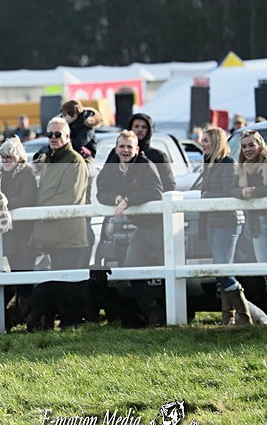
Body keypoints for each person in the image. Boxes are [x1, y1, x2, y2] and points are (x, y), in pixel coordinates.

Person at [96, 131, 164, 326]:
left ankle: (170, 311)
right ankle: (152, 312)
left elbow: (156, 192)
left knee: (167, 270)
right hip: (140, 228)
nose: (125, 150)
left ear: (137, 149)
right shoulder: (111, 168)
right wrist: (115, 198)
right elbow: (101, 192)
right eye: (122, 146)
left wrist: (128, 200)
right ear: (116, 149)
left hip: (159, 225)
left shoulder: (145, 165)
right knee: (132, 267)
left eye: (129, 147)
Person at [201, 127, 252, 325]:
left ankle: (244, 315)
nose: (203, 144)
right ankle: (227, 317)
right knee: (220, 269)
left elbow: (228, 192)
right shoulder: (210, 163)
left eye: (206, 140)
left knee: (222, 270)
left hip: (228, 221)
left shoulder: (227, 163)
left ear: (215, 142)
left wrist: (205, 197)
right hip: (213, 221)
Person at [29, 117, 89, 270]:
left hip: (67, 240)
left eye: (58, 134)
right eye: (50, 135)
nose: (53, 138)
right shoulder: (50, 160)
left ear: (67, 137)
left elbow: (69, 197)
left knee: (67, 288)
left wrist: (39, 213)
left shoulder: (75, 161)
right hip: (49, 238)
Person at [0, 135, 38, 280]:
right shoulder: (0, 176)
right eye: (3, 157)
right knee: (14, 277)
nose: (5, 160)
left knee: (24, 279)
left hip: (25, 237)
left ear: (18, 157)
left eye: (9, 157)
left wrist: (3, 203)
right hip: (10, 239)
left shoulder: (26, 175)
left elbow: (27, 199)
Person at [106, 113, 176, 193]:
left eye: (144, 127)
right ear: (130, 128)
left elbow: (169, 186)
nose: (140, 129)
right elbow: (105, 180)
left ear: (149, 130)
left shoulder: (158, 156)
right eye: (136, 126)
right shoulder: (117, 153)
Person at [233, 129, 267, 264]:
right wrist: (241, 193)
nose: (247, 149)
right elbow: (231, 189)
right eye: (244, 146)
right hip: (256, 223)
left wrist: (254, 192)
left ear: (259, 145)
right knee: (262, 263)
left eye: (251, 145)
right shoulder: (241, 168)